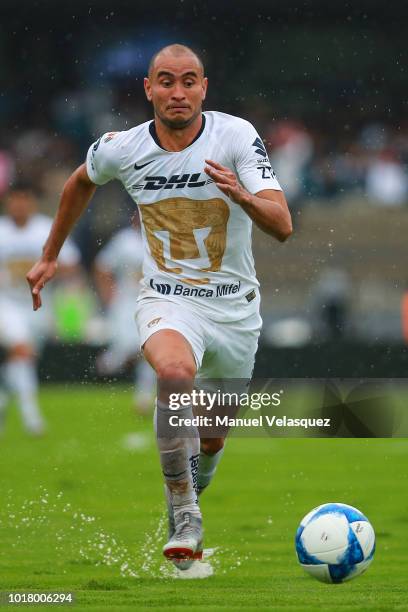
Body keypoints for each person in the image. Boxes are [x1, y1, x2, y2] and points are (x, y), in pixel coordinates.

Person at [26, 44, 292, 568]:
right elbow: (81, 180)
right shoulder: (121, 147)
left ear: (204, 88)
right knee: (173, 373)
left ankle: (193, 489)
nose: (178, 92)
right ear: (149, 89)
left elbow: (282, 225)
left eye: (188, 81)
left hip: (235, 310)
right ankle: (185, 512)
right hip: (167, 299)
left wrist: (240, 195)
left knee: (212, 439)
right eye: (166, 81)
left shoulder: (235, 136)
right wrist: (50, 255)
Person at [0, 183, 80, 435]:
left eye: (24, 200)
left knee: (24, 358)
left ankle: (3, 398)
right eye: (14, 200)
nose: (19, 205)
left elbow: (70, 263)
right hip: (7, 304)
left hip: (38, 305)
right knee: (21, 350)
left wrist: (51, 271)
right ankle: (31, 418)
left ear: (32, 203)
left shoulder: (45, 229)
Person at [94, 213, 155, 412]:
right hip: (126, 303)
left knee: (150, 348)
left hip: (153, 303)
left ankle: (143, 398)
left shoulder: (163, 239)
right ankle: (104, 366)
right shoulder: (124, 241)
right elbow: (102, 266)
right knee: (127, 348)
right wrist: (108, 297)